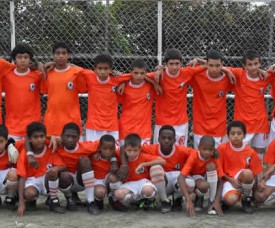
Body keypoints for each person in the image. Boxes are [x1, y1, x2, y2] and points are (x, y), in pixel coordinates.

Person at [147, 48, 205, 145]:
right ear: (166, 64)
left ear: (181, 63)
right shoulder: (159, 75)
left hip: (181, 123)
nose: (174, 67)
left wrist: (198, 60)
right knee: (160, 154)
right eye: (171, 64)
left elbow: (209, 65)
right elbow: (138, 76)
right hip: (162, 122)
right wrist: (154, 83)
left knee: (180, 154)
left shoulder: (187, 72)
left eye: (177, 63)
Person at [226, 50, 273, 162]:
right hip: (243, 124)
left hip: (261, 123)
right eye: (250, 65)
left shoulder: (265, 77)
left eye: (256, 64)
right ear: (244, 66)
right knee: (241, 155)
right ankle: (241, 178)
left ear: (260, 64)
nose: (253, 67)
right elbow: (216, 66)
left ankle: (258, 179)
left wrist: (272, 66)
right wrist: (226, 71)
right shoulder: (239, 74)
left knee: (259, 156)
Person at [141, 125, 195, 213]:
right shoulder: (150, 149)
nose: (166, 141)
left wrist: (214, 152)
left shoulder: (182, 151)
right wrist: (119, 162)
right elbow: (127, 148)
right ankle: (164, 201)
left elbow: (198, 154)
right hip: (161, 182)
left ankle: (176, 198)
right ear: (158, 139)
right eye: (163, 138)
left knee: (190, 184)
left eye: (170, 138)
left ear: (174, 140)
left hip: (177, 181)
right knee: (155, 168)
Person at [16, 122, 66, 217]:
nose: (39, 140)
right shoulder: (25, 154)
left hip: (47, 178)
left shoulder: (50, 147)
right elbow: (21, 177)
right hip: (32, 181)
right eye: (35, 137)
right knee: (29, 193)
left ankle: (53, 200)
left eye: (42, 136)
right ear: (29, 139)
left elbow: (63, 165)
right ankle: (30, 200)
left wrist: (56, 168)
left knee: (53, 172)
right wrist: (21, 203)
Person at [189, 50, 234, 148]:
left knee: (217, 158)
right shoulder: (197, 74)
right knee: (200, 157)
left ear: (222, 64)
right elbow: (178, 73)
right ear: (206, 64)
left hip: (219, 126)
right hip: (200, 125)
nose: (214, 69)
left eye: (218, 66)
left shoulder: (228, 77)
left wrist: (227, 71)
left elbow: (248, 72)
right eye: (211, 65)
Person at [42, 42, 87, 138]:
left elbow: (83, 89)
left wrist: (72, 65)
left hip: (71, 121)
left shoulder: (76, 72)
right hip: (52, 122)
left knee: (72, 151)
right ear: (53, 55)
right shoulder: (47, 73)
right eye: (57, 53)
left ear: (68, 55)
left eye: (64, 53)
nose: (61, 56)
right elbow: (43, 91)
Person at [83, 54, 130, 145]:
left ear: (111, 69)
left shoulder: (116, 79)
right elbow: (74, 68)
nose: (103, 71)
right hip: (93, 125)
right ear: (95, 69)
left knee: (112, 154)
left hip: (111, 126)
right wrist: (53, 64)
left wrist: (124, 81)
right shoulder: (89, 76)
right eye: (100, 68)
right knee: (92, 153)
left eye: (106, 68)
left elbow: (134, 75)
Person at [218, 121, 263, 214]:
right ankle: (230, 198)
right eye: (233, 133)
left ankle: (246, 199)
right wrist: (230, 180)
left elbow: (255, 173)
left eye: (239, 133)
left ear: (244, 135)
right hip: (227, 180)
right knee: (231, 200)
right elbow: (219, 170)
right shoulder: (221, 149)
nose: (236, 136)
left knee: (247, 173)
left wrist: (255, 195)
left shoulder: (250, 152)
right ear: (228, 135)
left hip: (244, 181)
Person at [115, 133, 165, 211]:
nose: (132, 153)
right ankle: (138, 200)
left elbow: (162, 161)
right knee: (118, 194)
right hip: (129, 184)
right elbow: (111, 154)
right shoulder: (120, 155)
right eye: (129, 150)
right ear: (124, 149)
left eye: (135, 150)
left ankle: (150, 199)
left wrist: (143, 164)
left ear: (140, 149)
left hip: (143, 182)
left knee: (148, 190)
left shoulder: (143, 156)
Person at [2, 44, 42, 140]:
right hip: (12, 127)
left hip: (32, 126)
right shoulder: (6, 76)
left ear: (30, 59)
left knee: (30, 154)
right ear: (14, 59)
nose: (23, 60)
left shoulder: (38, 76)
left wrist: (40, 65)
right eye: (19, 57)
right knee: (14, 154)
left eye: (26, 57)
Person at [179, 136, 224, 217]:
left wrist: (217, 201)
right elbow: (181, 177)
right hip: (193, 177)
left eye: (210, 150)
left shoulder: (214, 157)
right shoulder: (194, 155)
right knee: (197, 185)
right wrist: (188, 200)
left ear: (213, 150)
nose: (207, 152)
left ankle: (211, 201)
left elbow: (221, 180)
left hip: (204, 177)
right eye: (204, 149)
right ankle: (198, 197)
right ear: (199, 148)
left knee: (211, 167)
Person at [118, 59, 155, 146]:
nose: (139, 76)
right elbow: (114, 77)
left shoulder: (150, 87)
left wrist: (154, 83)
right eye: (136, 73)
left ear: (146, 73)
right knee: (124, 157)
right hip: (125, 130)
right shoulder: (123, 87)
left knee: (144, 158)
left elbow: (161, 74)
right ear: (130, 72)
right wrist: (124, 81)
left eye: (142, 73)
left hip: (144, 132)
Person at [89, 134, 121, 210]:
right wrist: (96, 151)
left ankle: (115, 199)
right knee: (100, 192)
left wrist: (114, 159)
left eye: (111, 149)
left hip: (108, 179)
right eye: (105, 148)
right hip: (98, 180)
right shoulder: (94, 156)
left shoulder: (117, 155)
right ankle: (99, 201)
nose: (108, 151)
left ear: (114, 148)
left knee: (113, 177)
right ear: (100, 148)